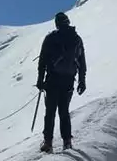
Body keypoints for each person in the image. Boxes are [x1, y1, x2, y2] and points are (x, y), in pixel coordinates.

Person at [36, 12, 86, 152]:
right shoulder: (76, 39)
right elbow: (82, 62)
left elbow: (42, 61)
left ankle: (48, 143)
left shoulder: (51, 38)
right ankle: (67, 142)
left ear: (57, 23)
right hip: (68, 80)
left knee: (50, 112)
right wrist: (82, 80)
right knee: (64, 111)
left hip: (53, 79)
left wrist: (40, 80)